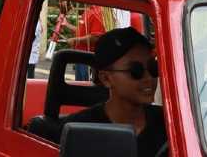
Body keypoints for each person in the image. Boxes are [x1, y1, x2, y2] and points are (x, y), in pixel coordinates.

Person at [58, 27, 166, 157]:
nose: (148, 78)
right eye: (135, 71)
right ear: (106, 79)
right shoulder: (77, 132)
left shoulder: (170, 124)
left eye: (152, 68)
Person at [66, 5, 106, 80]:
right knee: (80, 84)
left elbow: (96, 37)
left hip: (86, 57)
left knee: (83, 86)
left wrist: (76, 40)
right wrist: (67, 25)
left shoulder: (97, 12)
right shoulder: (88, 11)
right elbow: (82, 31)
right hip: (80, 56)